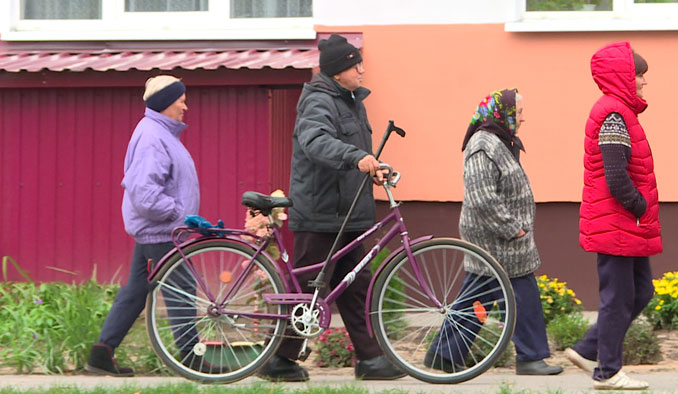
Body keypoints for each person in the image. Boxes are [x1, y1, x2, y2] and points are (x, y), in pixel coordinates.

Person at [256, 34, 405, 382]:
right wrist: (357, 158)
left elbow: (356, 152)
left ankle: (370, 359)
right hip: (322, 212)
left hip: (347, 212)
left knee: (357, 286)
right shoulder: (319, 101)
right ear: (338, 71)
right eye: (356, 65)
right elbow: (317, 141)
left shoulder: (352, 101)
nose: (363, 70)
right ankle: (278, 360)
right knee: (308, 287)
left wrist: (373, 166)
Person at [86, 75, 222, 376]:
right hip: (162, 230)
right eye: (181, 101)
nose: (185, 106)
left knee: (136, 290)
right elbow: (144, 193)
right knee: (181, 289)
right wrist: (176, 213)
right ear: (164, 104)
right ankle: (191, 358)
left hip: (157, 229)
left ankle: (102, 353)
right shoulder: (152, 137)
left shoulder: (159, 133)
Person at [424, 89, 563, 376]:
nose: (523, 119)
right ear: (502, 114)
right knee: (520, 293)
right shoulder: (483, 145)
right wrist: (512, 227)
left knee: (480, 294)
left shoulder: (498, 140)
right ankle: (530, 357)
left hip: (504, 237)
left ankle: (444, 354)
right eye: (519, 113)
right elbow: (482, 196)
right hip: (497, 237)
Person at [565, 41, 661, 390]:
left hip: (623, 224)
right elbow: (616, 176)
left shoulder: (620, 111)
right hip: (617, 223)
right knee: (618, 297)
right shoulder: (613, 115)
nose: (644, 82)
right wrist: (639, 205)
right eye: (640, 76)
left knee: (641, 291)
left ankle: (589, 348)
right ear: (624, 76)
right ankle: (607, 371)